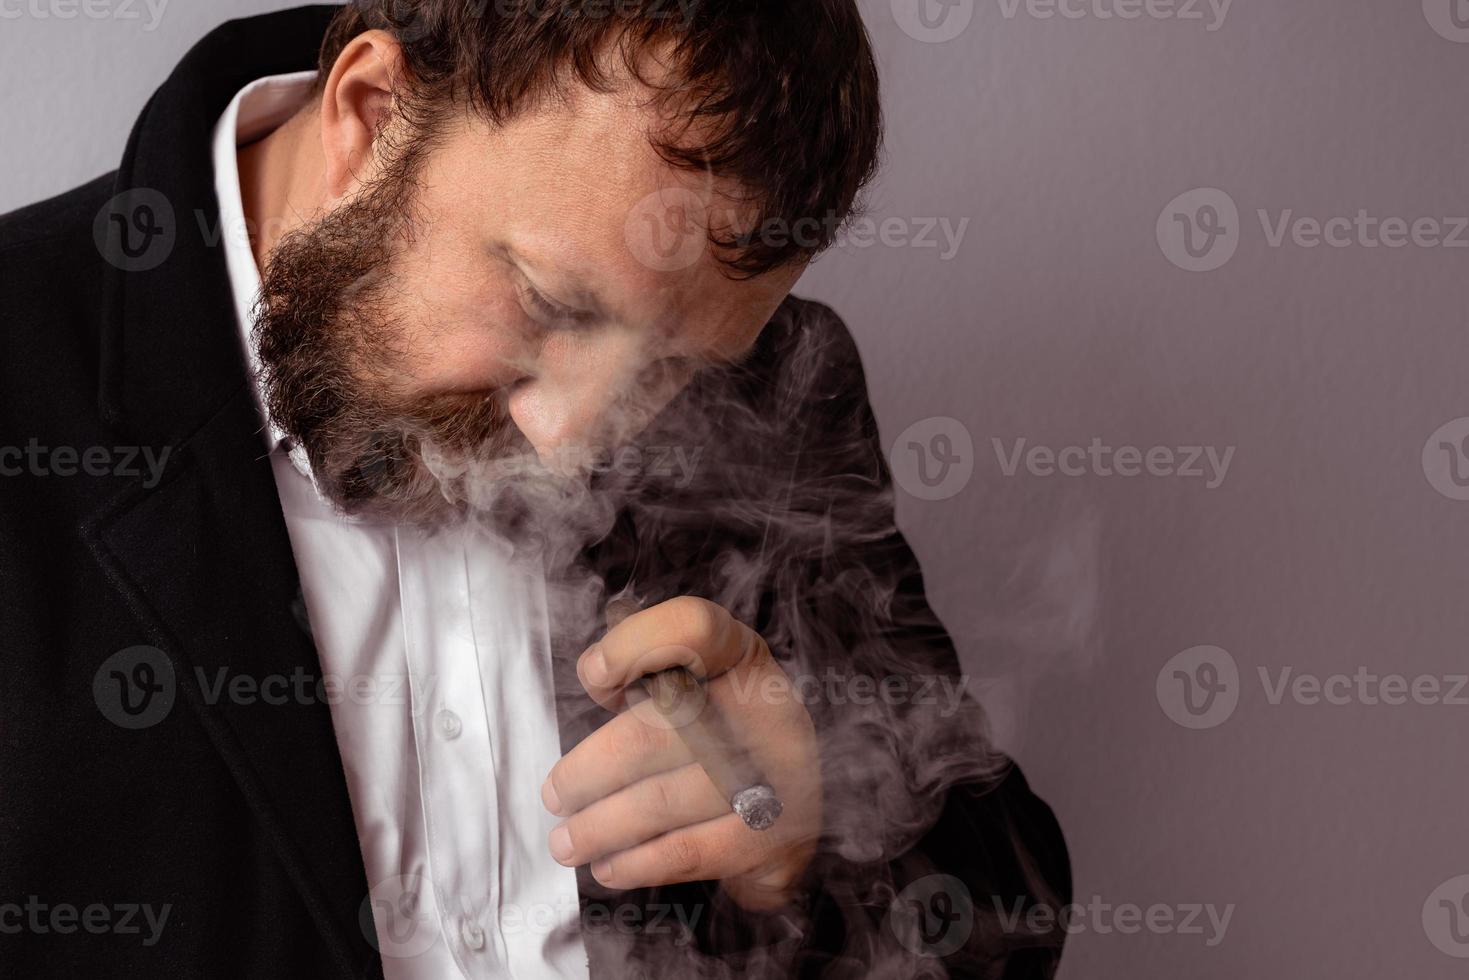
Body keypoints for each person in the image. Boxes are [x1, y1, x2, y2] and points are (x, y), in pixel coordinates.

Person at [0, 3, 1069, 977]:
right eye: (546, 303)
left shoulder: (786, 386)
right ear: (371, 114)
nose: (568, 444)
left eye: (675, 370)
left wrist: (806, 832)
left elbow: (1004, 914)